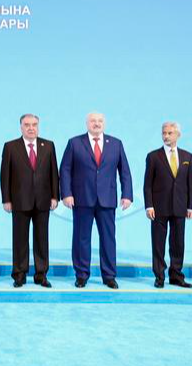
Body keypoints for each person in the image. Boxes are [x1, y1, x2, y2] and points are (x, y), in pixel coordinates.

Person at [60, 112, 133, 289]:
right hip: (81, 199)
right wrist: (66, 194)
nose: (96, 124)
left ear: (104, 124)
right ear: (87, 123)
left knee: (108, 239)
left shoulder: (116, 143)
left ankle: (109, 276)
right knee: (81, 238)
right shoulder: (74, 143)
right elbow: (65, 170)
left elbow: (124, 171)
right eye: (93, 121)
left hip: (107, 199)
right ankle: (81, 275)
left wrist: (127, 195)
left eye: (100, 121)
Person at [0, 114, 59, 288]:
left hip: (43, 200)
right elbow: (5, 175)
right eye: (27, 125)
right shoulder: (11, 146)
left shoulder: (48, 145)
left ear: (38, 126)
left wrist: (55, 196)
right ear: (21, 127)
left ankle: (41, 274)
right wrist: (6, 199)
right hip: (19, 200)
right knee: (20, 240)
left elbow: (53, 173)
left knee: (42, 239)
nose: (31, 128)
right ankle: (19, 274)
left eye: (34, 124)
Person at [143, 121, 192, 288]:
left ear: (178, 135)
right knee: (158, 243)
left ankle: (176, 275)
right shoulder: (153, 156)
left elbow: (190, 183)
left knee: (178, 242)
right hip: (158, 207)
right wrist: (149, 205)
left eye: (170, 133)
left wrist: (189, 206)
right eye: (164, 133)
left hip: (180, 206)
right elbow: (148, 184)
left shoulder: (187, 157)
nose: (166, 136)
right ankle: (159, 276)